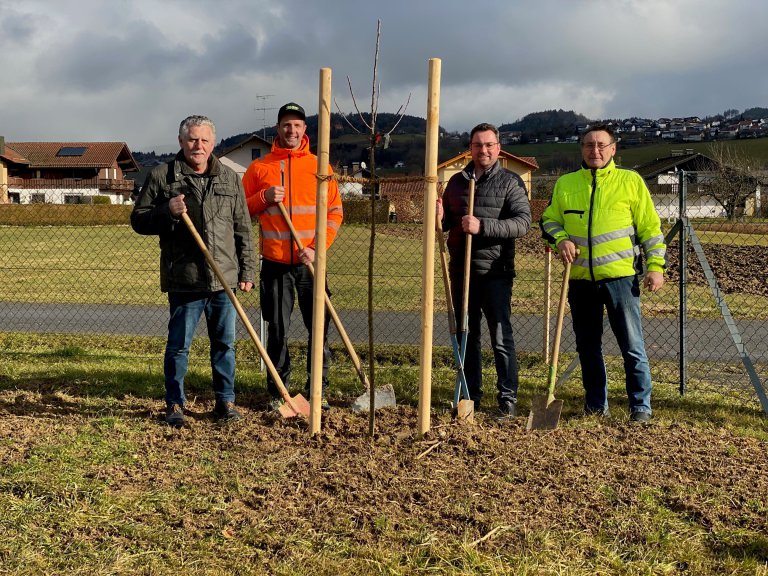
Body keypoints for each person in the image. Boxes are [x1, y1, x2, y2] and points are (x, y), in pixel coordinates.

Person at [131, 115, 256, 427]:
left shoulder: (229, 178)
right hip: (184, 278)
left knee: (225, 344)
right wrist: (166, 212)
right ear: (181, 142)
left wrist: (248, 270)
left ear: (213, 143)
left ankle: (225, 402)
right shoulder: (163, 176)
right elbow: (139, 219)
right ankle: (175, 404)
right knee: (178, 347)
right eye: (192, 139)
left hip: (224, 279)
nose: (198, 146)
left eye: (204, 140)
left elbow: (243, 229)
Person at [540, 124, 666, 423]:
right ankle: (596, 405)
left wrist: (655, 267)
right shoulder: (566, 184)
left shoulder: (630, 182)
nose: (594, 150)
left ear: (613, 149)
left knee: (632, 346)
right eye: (588, 145)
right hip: (581, 281)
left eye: (601, 145)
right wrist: (561, 240)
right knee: (587, 347)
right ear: (581, 149)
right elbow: (548, 221)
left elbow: (650, 229)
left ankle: (640, 407)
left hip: (621, 279)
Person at [242, 102, 343, 410]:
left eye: (297, 125)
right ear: (278, 129)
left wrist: (316, 248)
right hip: (274, 265)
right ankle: (279, 392)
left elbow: (335, 213)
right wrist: (263, 197)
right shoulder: (260, 168)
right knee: (278, 331)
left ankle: (318, 391)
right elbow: (240, 210)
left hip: (311, 264)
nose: (291, 130)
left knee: (319, 330)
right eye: (286, 124)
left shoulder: (320, 168)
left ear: (304, 130)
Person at [437, 122, 531, 418]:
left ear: (498, 148)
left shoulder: (510, 182)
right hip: (460, 270)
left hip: (495, 271)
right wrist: (439, 217)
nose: (484, 150)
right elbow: (448, 223)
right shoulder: (456, 182)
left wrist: (482, 226)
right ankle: (470, 394)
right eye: (478, 145)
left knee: (500, 336)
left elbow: (522, 223)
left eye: (489, 145)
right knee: (467, 334)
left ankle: (507, 399)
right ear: (471, 148)